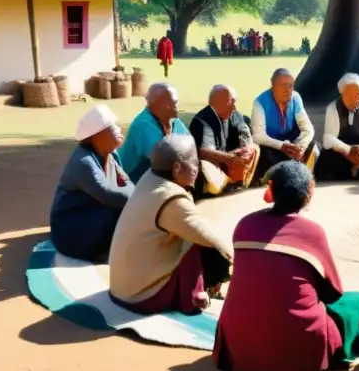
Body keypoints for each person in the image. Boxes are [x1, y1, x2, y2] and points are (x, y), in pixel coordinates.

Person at [214, 161, 359, 371]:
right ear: (309, 194)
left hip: (239, 347)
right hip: (298, 353)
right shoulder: (312, 232)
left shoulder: (245, 225)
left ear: (270, 190)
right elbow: (332, 293)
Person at [109, 135, 233, 314]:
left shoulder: (150, 177)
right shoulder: (171, 198)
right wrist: (237, 258)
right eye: (194, 162)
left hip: (122, 288)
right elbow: (211, 239)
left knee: (193, 233)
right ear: (176, 168)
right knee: (200, 243)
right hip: (142, 296)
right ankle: (194, 298)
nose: (197, 168)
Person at [49, 106, 133, 261]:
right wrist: (142, 198)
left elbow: (126, 183)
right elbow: (107, 195)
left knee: (124, 210)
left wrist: (138, 195)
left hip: (90, 216)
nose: (119, 129)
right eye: (112, 126)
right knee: (116, 212)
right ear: (98, 135)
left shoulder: (111, 154)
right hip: (68, 233)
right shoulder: (84, 162)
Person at [189, 85, 261, 200]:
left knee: (254, 148)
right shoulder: (202, 121)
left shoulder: (235, 114)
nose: (233, 106)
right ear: (217, 102)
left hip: (231, 158)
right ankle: (221, 187)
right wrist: (229, 158)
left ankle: (237, 182)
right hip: (214, 163)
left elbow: (245, 133)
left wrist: (245, 148)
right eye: (230, 101)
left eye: (234, 101)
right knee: (205, 165)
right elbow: (204, 152)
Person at [250, 68, 317, 181]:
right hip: (272, 146)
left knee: (314, 147)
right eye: (284, 85)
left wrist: (300, 146)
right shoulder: (260, 102)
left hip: (292, 145)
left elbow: (308, 129)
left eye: (291, 86)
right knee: (264, 154)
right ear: (273, 87)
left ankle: (301, 176)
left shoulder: (296, 98)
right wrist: (282, 146)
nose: (288, 90)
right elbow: (258, 136)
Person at [315, 73, 359, 180]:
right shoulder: (332, 108)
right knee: (325, 156)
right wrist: (348, 151)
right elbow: (329, 138)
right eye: (349, 96)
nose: (354, 100)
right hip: (342, 152)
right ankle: (358, 171)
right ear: (341, 94)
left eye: (358, 95)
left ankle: (358, 169)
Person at [117, 83, 190, 184]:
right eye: (172, 102)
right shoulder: (143, 125)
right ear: (156, 105)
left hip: (160, 176)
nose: (176, 106)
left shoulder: (174, 122)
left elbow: (190, 146)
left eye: (176, 102)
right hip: (132, 181)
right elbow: (163, 162)